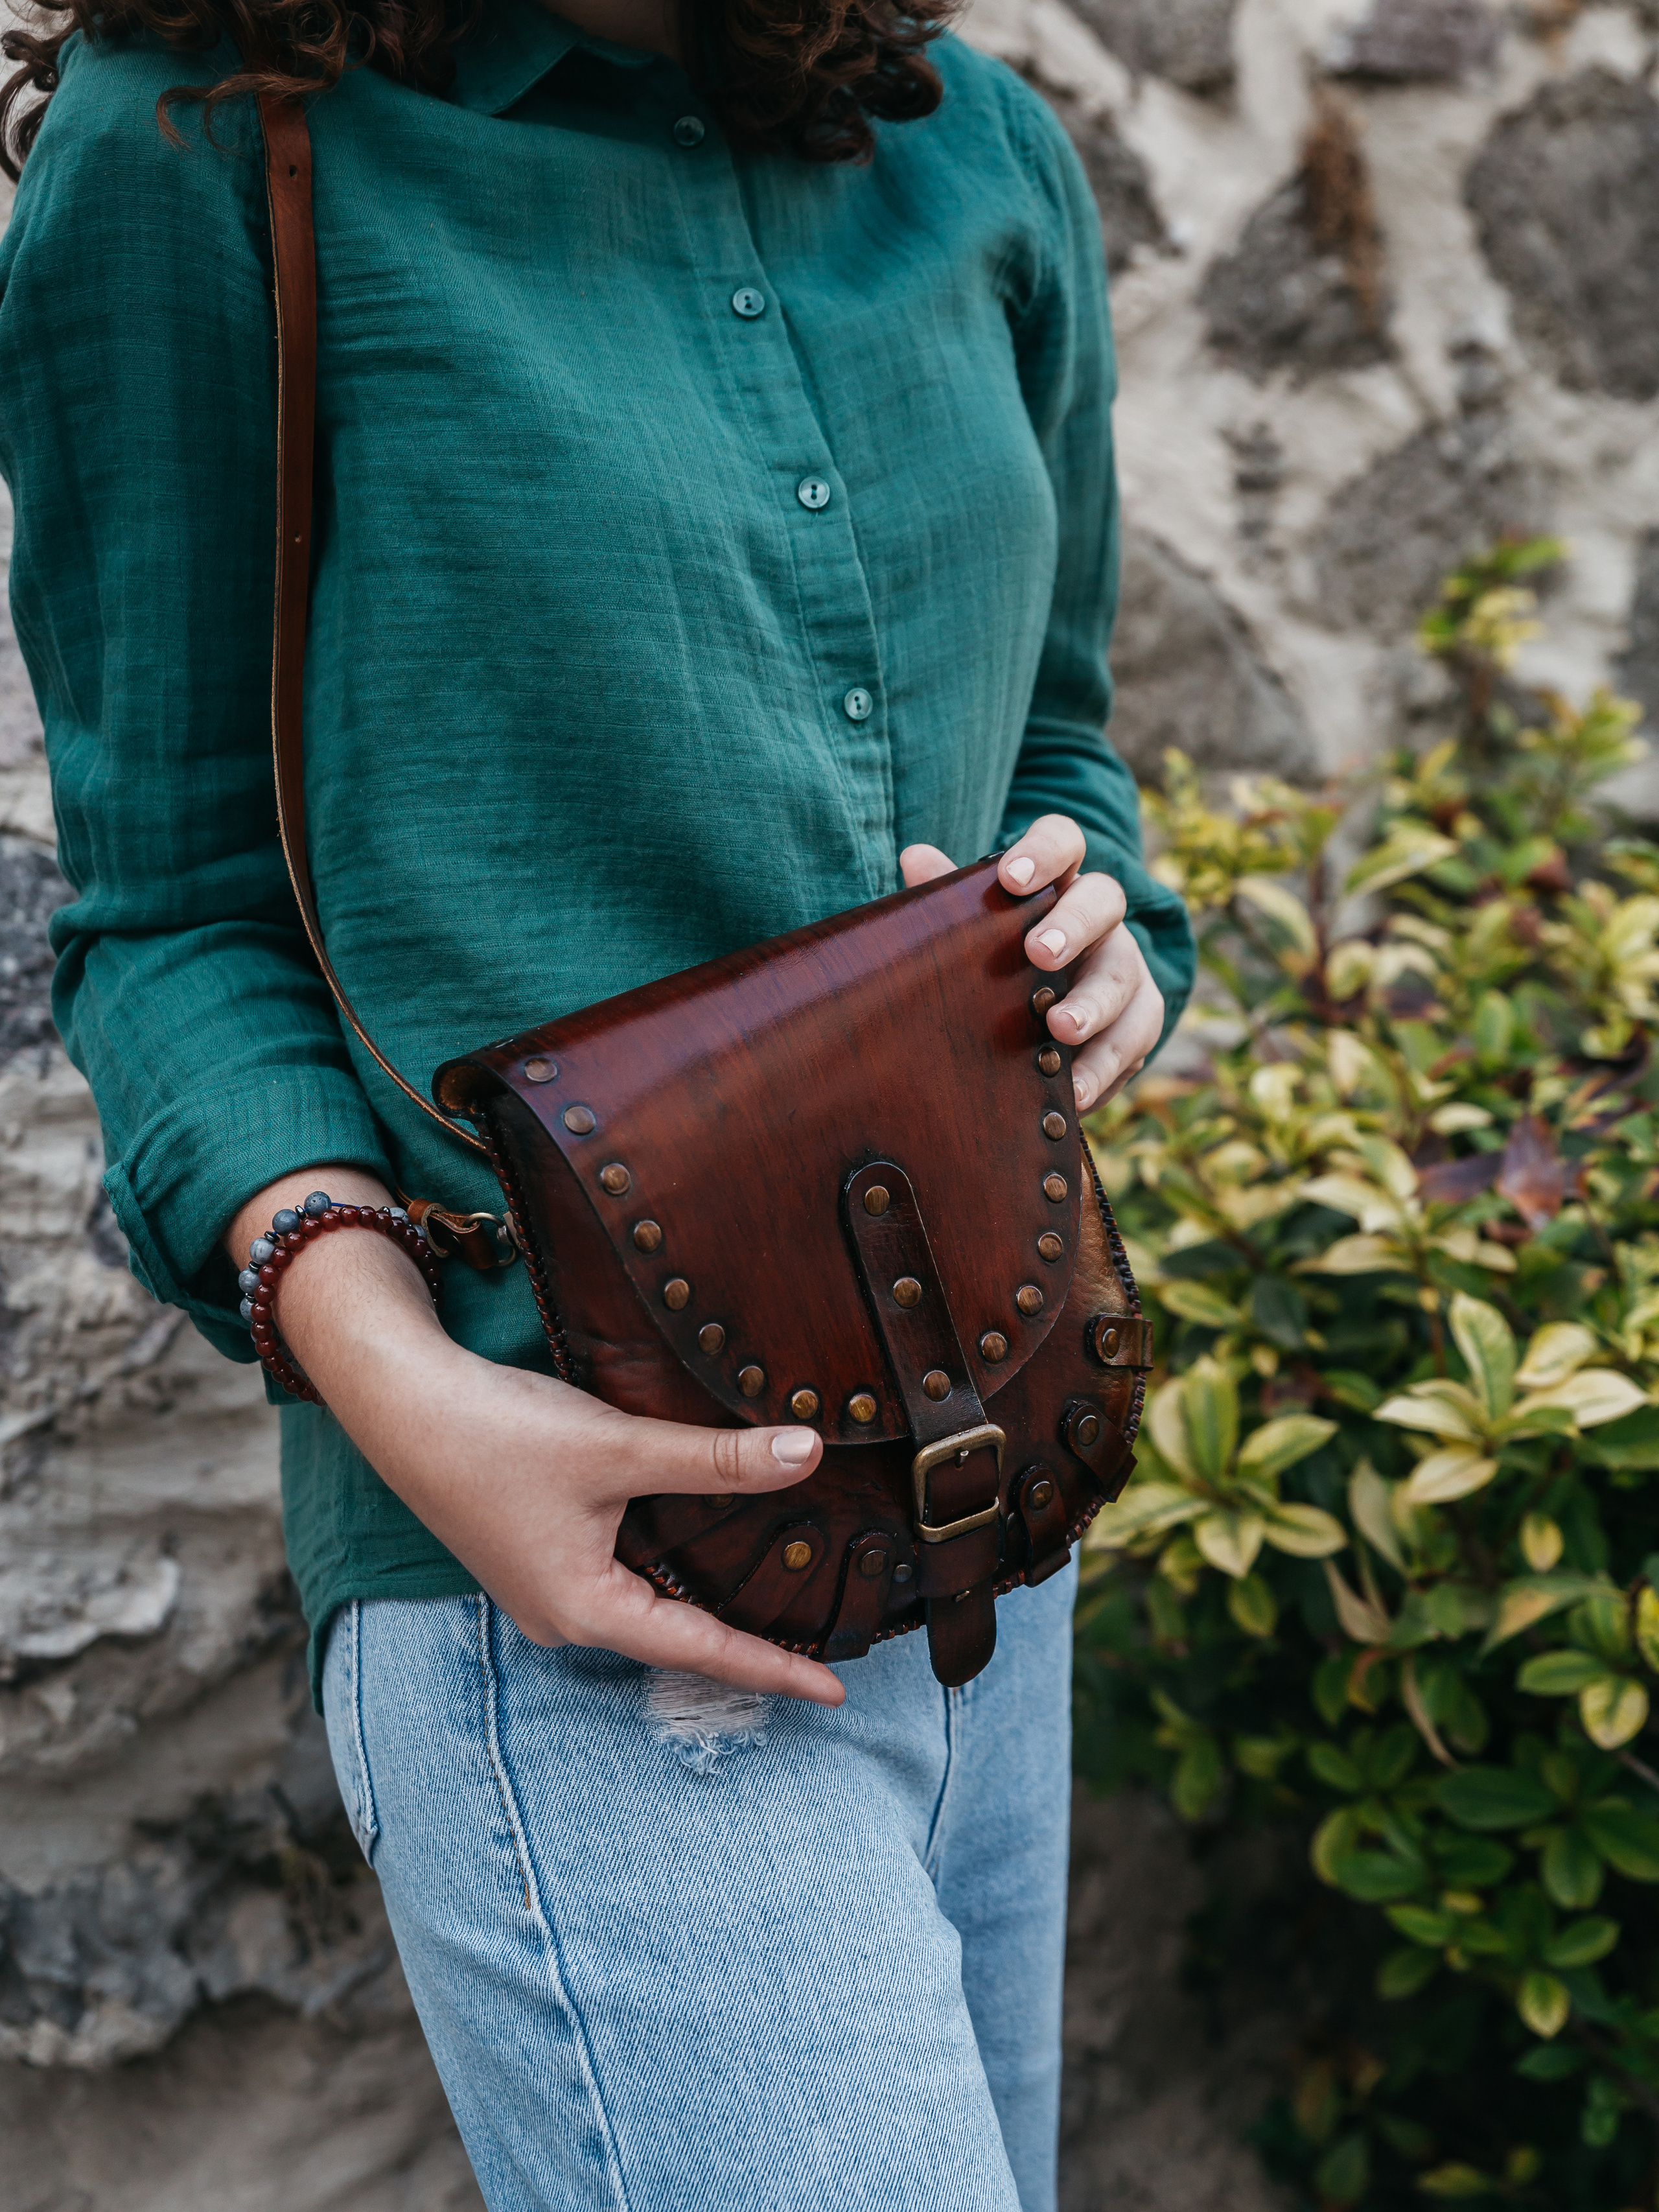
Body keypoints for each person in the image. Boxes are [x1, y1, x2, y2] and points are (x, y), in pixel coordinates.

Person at [0, 0, 1194, 2200]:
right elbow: (167, 909)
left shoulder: (976, 145)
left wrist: (1104, 924)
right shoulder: (195, 153)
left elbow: (1062, 749)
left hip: (998, 1528)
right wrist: (403, 1395)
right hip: (581, 1584)